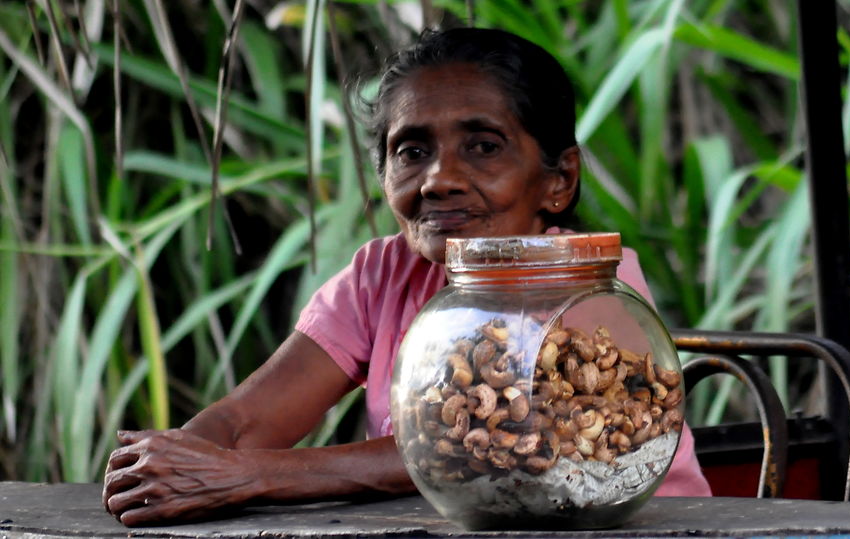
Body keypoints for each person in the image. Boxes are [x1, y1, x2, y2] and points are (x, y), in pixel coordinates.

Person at [102, 27, 712, 526]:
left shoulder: (589, 281)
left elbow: (481, 454)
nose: (438, 179)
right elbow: (247, 419)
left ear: (559, 180)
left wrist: (252, 476)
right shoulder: (380, 273)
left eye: (483, 146)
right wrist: (174, 463)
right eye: (412, 151)